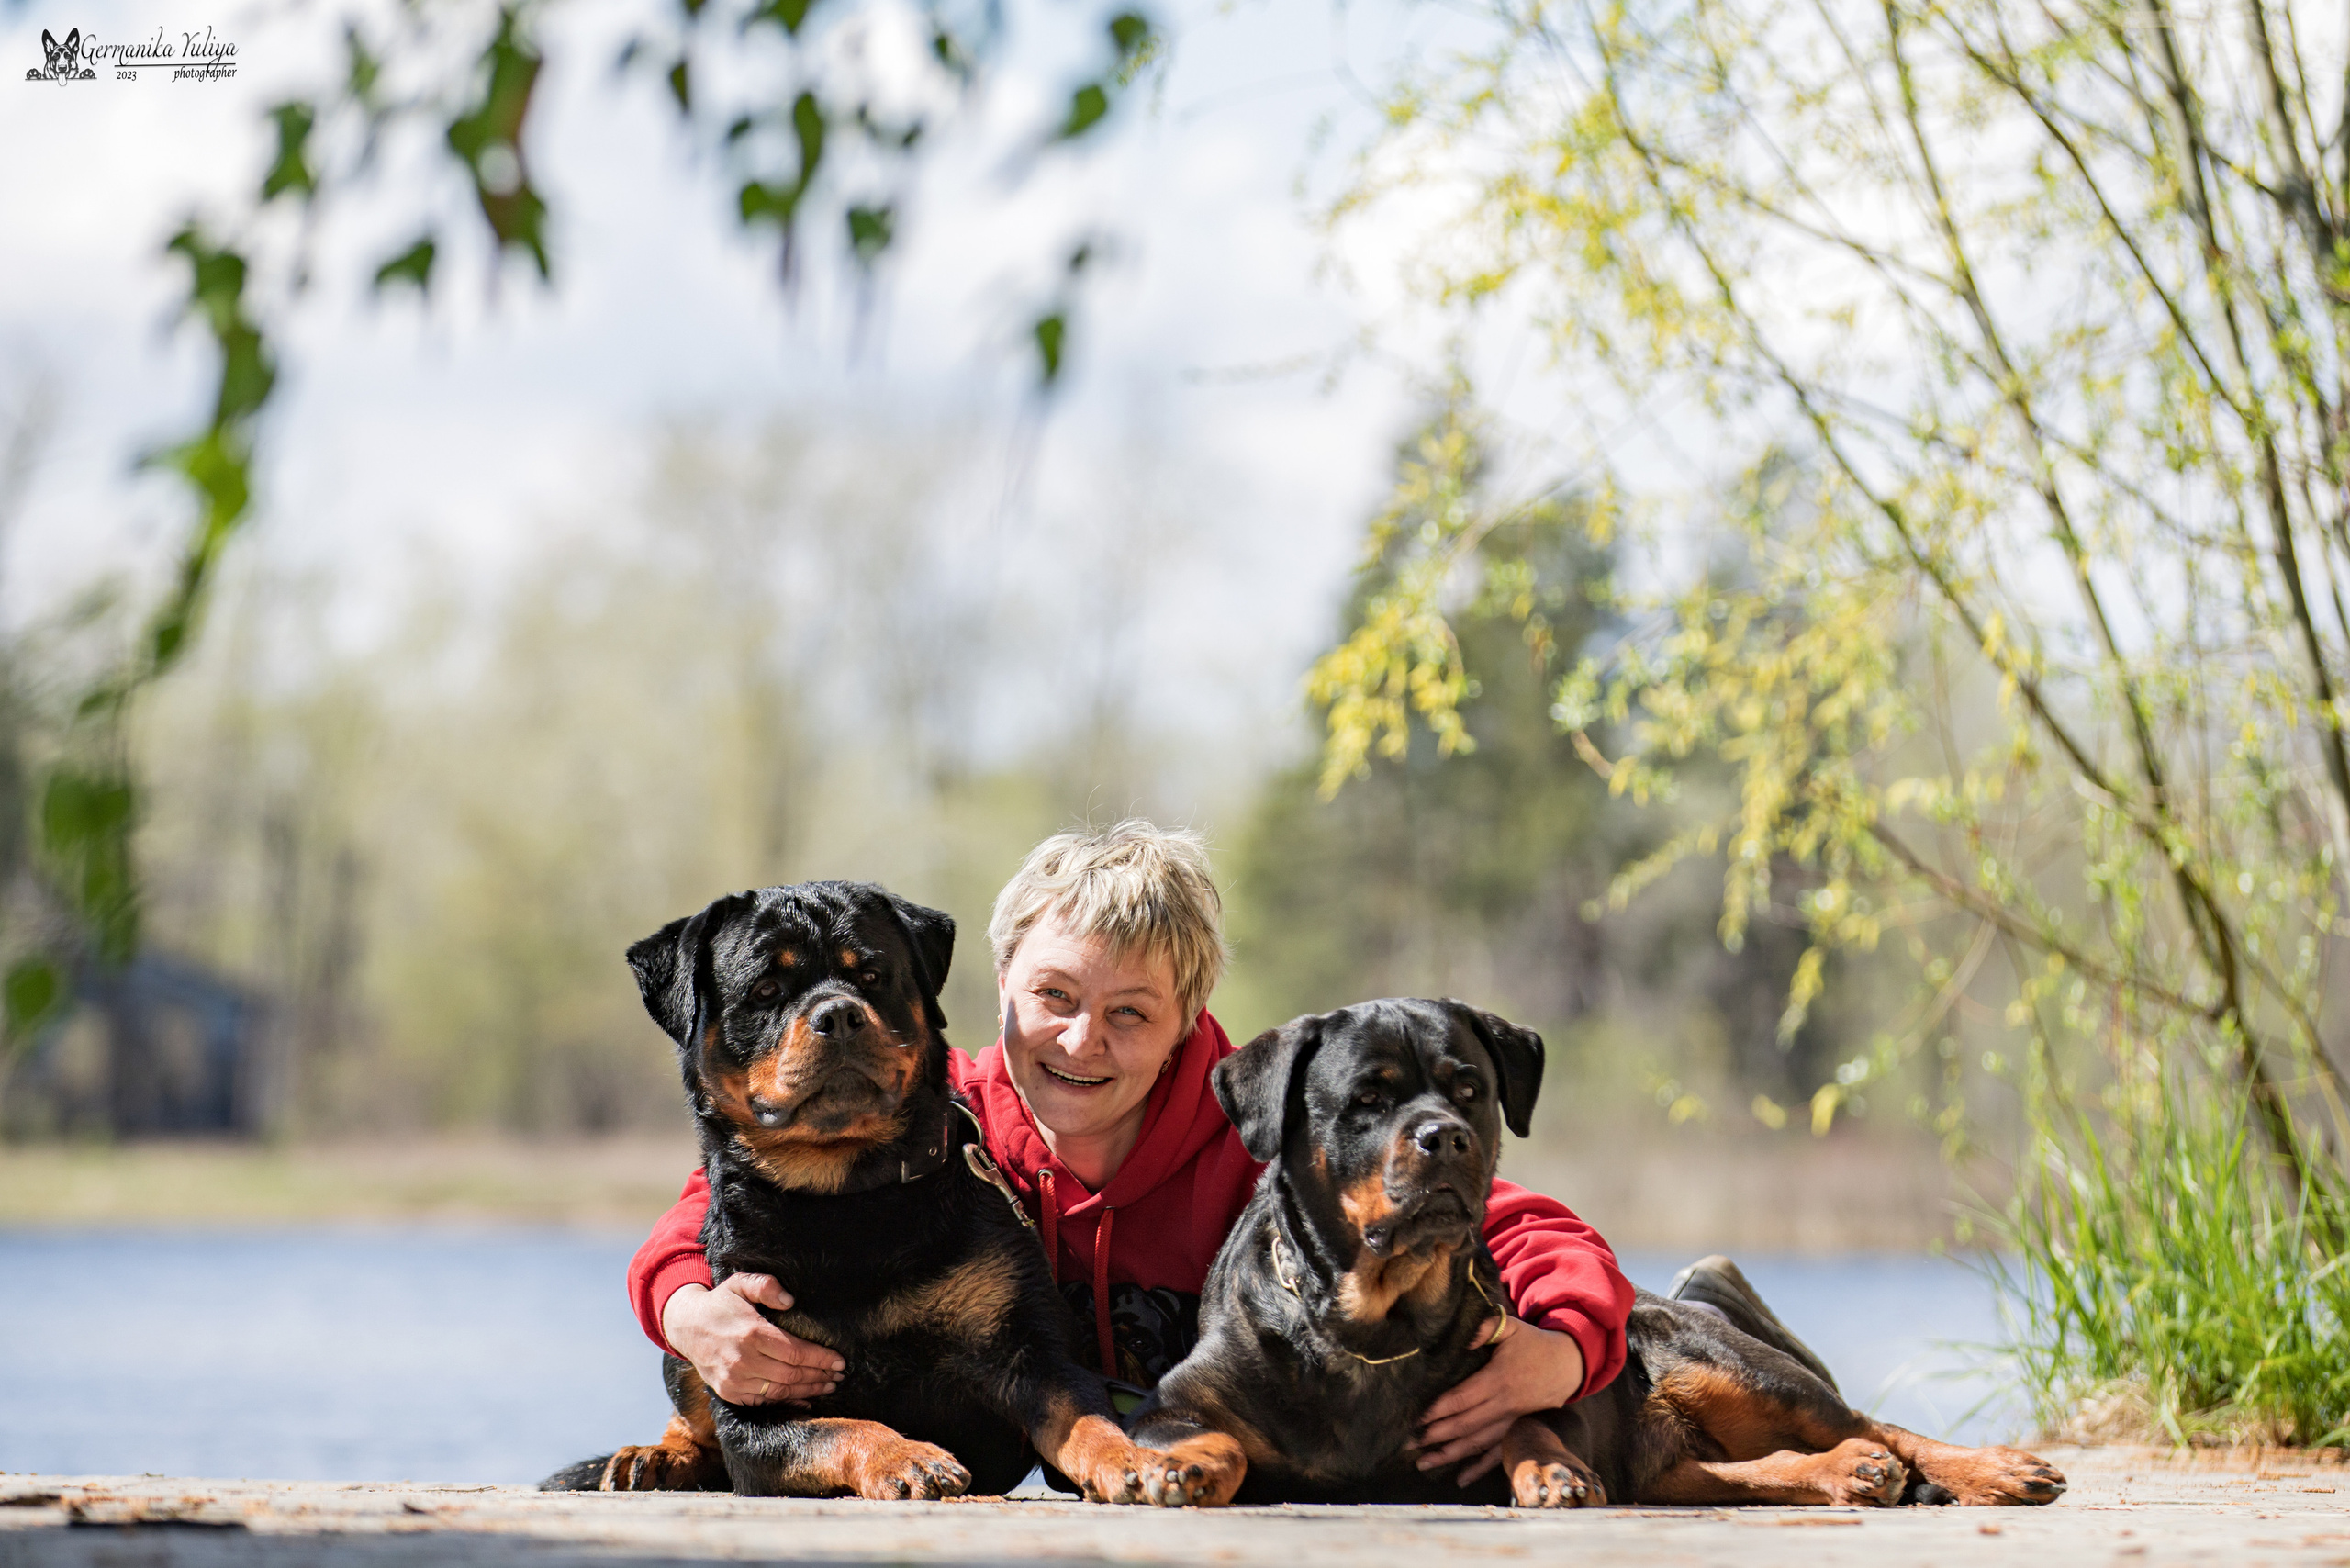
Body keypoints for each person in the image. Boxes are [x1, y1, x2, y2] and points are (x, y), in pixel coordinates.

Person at [630, 821, 1635, 1486]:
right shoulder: (941, 1117)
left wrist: (1564, 1350)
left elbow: (1517, 1221)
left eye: (1130, 1013)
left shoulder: (1265, 1128)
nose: (1081, 1041)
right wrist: (688, 1311)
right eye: (1055, 997)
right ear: (998, 982)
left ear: (1187, 1018)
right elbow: (705, 1211)